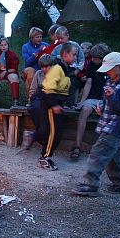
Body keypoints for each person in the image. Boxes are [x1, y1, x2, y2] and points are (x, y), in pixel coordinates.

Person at [72, 52, 120, 197]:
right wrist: (101, 109)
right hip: (107, 124)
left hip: (115, 127)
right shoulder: (110, 82)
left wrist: (112, 98)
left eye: (111, 69)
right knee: (111, 158)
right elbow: (110, 105)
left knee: (97, 154)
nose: (108, 72)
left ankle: (90, 185)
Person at [38, 42, 77, 170]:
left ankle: (46, 156)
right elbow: (48, 88)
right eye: (74, 54)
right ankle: (44, 157)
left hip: (56, 103)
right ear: (65, 54)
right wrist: (54, 105)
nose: (75, 57)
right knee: (52, 132)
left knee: (57, 132)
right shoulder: (57, 69)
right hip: (50, 103)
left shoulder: (65, 69)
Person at [70, 43, 111, 159]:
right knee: (85, 109)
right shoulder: (92, 65)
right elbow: (88, 82)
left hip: (107, 98)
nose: (92, 59)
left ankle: (104, 149)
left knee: (109, 114)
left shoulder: (111, 66)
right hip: (93, 97)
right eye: (91, 57)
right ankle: (77, 146)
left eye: (95, 58)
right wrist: (82, 101)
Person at [21, 54, 54, 150]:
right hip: (39, 96)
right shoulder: (38, 74)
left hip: (50, 97)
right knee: (36, 108)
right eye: (42, 66)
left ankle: (35, 135)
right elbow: (33, 89)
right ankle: (41, 136)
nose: (44, 69)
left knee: (47, 112)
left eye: (46, 66)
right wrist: (30, 99)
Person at [51, 26, 85, 107]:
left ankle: (71, 103)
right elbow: (52, 57)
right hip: (62, 70)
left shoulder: (75, 45)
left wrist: (78, 69)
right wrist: (58, 57)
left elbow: (82, 59)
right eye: (58, 39)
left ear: (67, 35)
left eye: (62, 38)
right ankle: (60, 102)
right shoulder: (58, 48)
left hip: (73, 70)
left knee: (72, 83)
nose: (60, 40)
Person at [22, 27, 49, 98]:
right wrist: (37, 53)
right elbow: (27, 63)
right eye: (37, 37)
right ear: (31, 37)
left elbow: (49, 59)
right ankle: (34, 98)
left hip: (43, 69)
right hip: (29, 70)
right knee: (31, 72)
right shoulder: (26, 47)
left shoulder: (45, 45)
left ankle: (32, 99)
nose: (40, 39)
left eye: (41, 37)